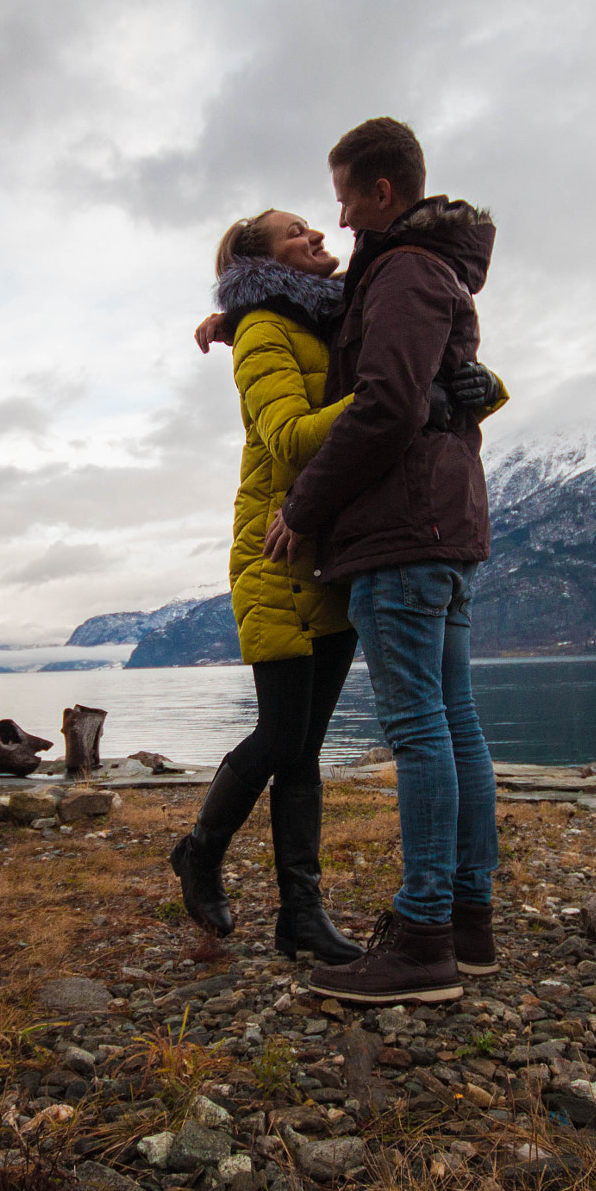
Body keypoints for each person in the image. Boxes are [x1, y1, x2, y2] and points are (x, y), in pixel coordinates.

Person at [262, 117, 504, 1006]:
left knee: (420, 730)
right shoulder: (428, 265)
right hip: (443, 524)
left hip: (404, 528)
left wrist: (305, 504)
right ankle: (468, 923)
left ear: (382, 193)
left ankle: (424, 934)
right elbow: (434, 391)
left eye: (344, 194)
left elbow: (389, 403)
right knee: (457, 720)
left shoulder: (402, 269)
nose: (337, 211)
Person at [169, 207, 369, 965]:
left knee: (307, 747)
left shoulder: (323, 317)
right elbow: (287, 436)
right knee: (283, 734)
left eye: (314, 227)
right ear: (263, 260)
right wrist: (390, 399)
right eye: (296, 232)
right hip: (275, 554)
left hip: (329, 556)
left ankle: (302, 917)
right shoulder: (264, 330)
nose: (317, 235)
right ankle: (200, 850)